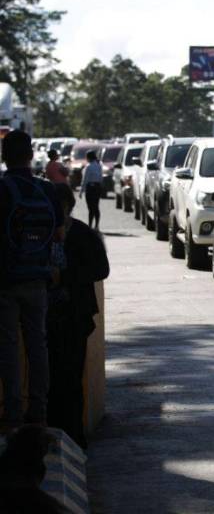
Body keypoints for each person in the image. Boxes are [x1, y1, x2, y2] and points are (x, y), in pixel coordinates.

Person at [0, 130, 64, 431]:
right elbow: (59, 234)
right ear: (30, 155)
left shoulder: (2, 189)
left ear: (4, 156)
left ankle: (13, 412)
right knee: (38, 345)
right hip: (38, 279)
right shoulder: (46, 189)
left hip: (5, 281)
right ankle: (39, 410)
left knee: (8, 347)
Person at [47, 184, 108, 448]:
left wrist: (65, 277)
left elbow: (101, 269)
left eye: (59, 208)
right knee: (49, 380)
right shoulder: (40, 234)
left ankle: (74, 436)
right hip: (44, 317)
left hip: (74, 316)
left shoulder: (83, 234)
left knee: (71, 378)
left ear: (67, 208)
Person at [79, 150, 102, 229]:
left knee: (90, 208)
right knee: (96, 207)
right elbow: (100, 178)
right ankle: (96, 225)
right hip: (97, 187)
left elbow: (85, 179)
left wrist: (81, 191)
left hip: (90, 188)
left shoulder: (88, 167)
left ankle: (90, 225)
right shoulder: (99, 165)